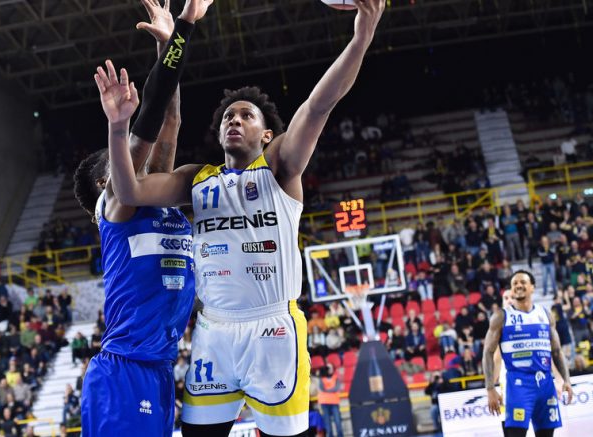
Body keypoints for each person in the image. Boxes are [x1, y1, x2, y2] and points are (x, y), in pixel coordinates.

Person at [100, 1, 386, 434]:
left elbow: (319, 105)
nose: (235, 120)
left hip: (273, 329)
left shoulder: (281, 166)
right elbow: (130, 191)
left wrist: (360, 40)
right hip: (214, 332)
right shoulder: (197, 179)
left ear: (267, 134)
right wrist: (119, 127)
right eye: (229, 116)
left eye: (246, 115)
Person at [76, 1, 210, 436]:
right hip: (124, 371)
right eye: (118, 160)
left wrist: (169, 46)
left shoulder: (158, 197)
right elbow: (146, 126)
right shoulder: (118, 205)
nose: (144, 159)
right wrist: (119, 128)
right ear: (106, 182)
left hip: (159, 368)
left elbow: (170, 119)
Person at [482, 271, 574, 437]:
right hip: (518, 385)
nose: (518, 285)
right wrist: (490, 388)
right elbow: (488, 353)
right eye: (514, 283)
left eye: (522, 282)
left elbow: (556, 351)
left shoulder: (545, 315)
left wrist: (566, 379)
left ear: (532, 287)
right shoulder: (501, 317)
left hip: (545, 385)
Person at [317, 364, 343, 437]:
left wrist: (327, 390)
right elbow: (322, 388)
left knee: (338, 422)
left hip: (334, 402)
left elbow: (337, 388)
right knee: (328, 424)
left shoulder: (336, 377)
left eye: (331, 367)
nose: (330, 369)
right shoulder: (321, 379)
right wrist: (331, 390)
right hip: (324, 403)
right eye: (328, 368)